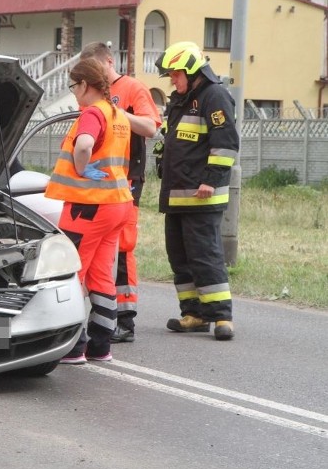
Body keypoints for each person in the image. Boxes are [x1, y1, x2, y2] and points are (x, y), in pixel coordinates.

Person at [45, 58, 133, 364]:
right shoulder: (118, 115)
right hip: (117, 204)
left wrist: (82, 170)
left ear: (85, 85)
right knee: (100, 275)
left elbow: (83, 145)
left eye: (73, 86)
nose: (73, 93)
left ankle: (74, 346)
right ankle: (100, 346)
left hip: (89, 206)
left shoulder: (93, 113)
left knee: (70, 273)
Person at [154, 41, 239, 341]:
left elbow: (226, 143)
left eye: (176, 75)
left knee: (205, 256)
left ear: (192, 72)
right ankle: (194, 313)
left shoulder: (214, 96)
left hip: (202, 196)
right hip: (176, 196)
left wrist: (211, 179)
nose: (172, 81)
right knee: (179, 257)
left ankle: (221, 317)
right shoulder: (180, 100)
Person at [80, 42, 161, 344]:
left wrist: (115, 114)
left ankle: (124, 320)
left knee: (123, 246)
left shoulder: (131, 88)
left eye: (95, 70)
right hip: (96, 181)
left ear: (109, 62)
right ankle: (100, 315)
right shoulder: (91, 96)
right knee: (98, 249)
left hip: (126, 179)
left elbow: (151, 127)